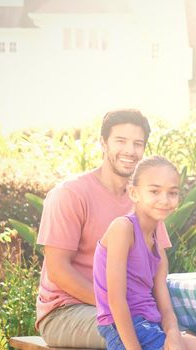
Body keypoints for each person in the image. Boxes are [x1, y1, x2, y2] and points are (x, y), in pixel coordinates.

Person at [36, 109, 171, 348]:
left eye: (137, 143)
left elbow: (157, 263)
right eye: (121, 141)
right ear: (103, 143)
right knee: (142, 333)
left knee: (185, 333)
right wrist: (118, 306)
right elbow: (57, 269)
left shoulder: (145, 199)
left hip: (130, 308)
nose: (130, 150)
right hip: (66, 312)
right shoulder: (69, 194)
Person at [93, 156, 196, 350]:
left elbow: (166, 308)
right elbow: (116, 300)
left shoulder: (159, 250)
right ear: (134, 193)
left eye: (172, 193)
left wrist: (173, 335)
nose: (164, 200)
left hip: (152, 327)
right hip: (125, 330)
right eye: (154, 191)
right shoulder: (123, 228)